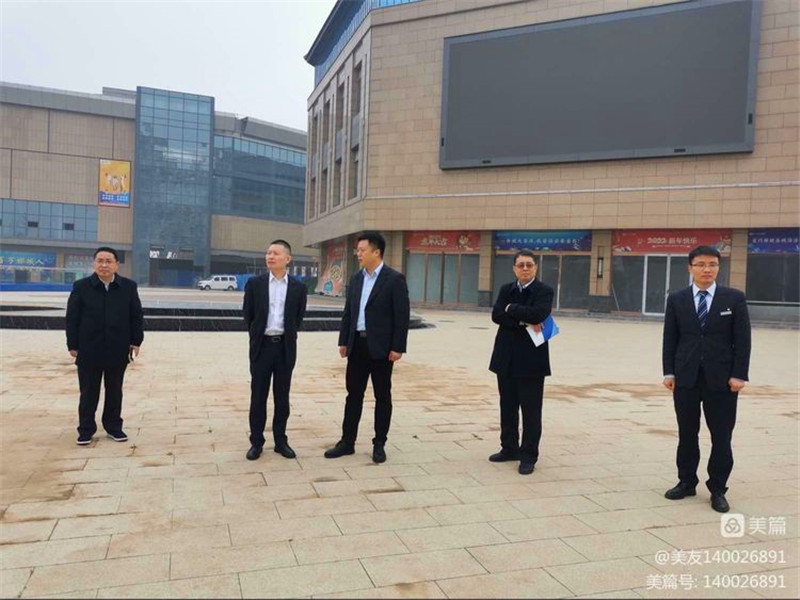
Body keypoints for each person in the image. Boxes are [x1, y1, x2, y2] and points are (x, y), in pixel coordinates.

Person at [662, 245, 751, 513]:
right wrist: (669, 372)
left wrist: (739, 374)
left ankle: (718, 489)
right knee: (687, 433)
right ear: (690, 268)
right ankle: (686, 481)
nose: (707, 269)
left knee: (721, 436)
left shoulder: (734, 298)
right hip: (685, 378)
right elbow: (670, 338)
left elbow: (743, 340)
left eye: (712, 264)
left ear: (718, 268)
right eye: (700, 264)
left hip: (722, 381)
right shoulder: (677, 299)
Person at [324, 231, 410, 463]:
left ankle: (379, 443)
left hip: (382, 349)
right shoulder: (356, 279)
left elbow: (401, 317)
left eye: (362, 250)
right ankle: (347, 442)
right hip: (357, 346)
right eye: (358, 250)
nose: (358, 254)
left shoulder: (394, 279)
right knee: (353, 395)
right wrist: (344, 341)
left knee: (382, 396)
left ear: (376, 252)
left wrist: (398, 347)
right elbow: (348, 313)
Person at [66, 246, 143, 445]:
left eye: (108, 261)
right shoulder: (81, 286)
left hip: (118, 347)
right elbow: (72, 318)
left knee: (115, 390)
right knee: (88, 392)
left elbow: (136, 315)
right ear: (94, 264)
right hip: (89, 348)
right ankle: (86, 430)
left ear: (117, 265)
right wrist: (72, 344)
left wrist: (136, 341)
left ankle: (114, 427)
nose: (104, 265)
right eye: (100, 261)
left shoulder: (128, 287)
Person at [488, 250, 554, 475]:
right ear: (514, 268)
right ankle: (509, 448)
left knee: (531, 410)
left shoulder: (544, 291)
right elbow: (496, 315)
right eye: (521, 265)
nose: (525, 268)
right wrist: (523, 321)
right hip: (505, 357)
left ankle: (528, 456)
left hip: (532, 360)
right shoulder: (506, 289)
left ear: (536, 267)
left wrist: (511, 309)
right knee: (507, 406)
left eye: (529, 265)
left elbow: (538, 314)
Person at [243, 240, 308, 460]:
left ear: (287, 259)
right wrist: (257, 336)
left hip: (284, 348)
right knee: (258, 396)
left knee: (282, 397)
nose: (270, 256)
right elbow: (248, 315)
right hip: (261, 347)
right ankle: (256, 442)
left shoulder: (298, 287)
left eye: (276, 253)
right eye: (268, 253)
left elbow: (298, 318)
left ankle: (281, 440)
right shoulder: (255, 284)